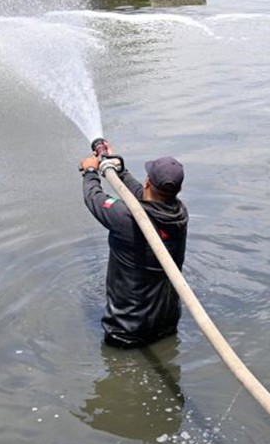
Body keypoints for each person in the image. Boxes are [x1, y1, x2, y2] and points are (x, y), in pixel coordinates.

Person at [80, 143, 189, 348]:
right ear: (178, 189)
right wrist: (121, 171)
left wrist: (90, 171)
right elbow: (144, 196)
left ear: (148, 181)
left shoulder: (124, 217)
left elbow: (93, 197)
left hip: (125, 332)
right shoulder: (180, 215)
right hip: (166, 326)